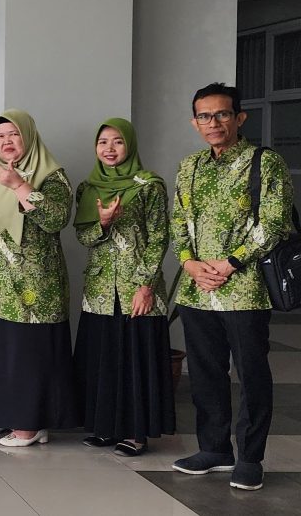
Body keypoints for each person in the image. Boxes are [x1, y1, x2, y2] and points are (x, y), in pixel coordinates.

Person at [169, 83, 294, 491]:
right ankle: (214, 449)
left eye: (222, 114)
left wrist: (230, 263)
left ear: (239, 118)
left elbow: (274, 223)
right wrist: (189, 263)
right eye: (204, 116)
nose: (213, 123)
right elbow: (178, 221)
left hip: (245, 289)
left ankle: (251, 457)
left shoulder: (265, 162)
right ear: (195, 122)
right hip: (198, 290)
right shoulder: (189, 166)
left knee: (252, 373)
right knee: (206, 373)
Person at [0, 109, 79, 446]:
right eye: (0, 136)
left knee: (29, 352)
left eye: (14, 134)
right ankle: (3, 414)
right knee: (1, 348)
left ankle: (30, 424)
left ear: (29, 136)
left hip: (35, 279)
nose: (6, 141)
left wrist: (20, 185)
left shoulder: (52, 174)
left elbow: (56, 220)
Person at [72, 118, 176, 458]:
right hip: (100, 287)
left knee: (135, 359)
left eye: (117, 141)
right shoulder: (88, 188)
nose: (110, 149)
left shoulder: (149, 185)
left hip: (137, 286)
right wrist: (103, 223)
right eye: (103, 142)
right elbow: (83, 236)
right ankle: (105, 427)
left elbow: (159, 237)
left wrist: (145, 285)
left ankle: (136, 433)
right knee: (103, 357)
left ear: (129, 145)